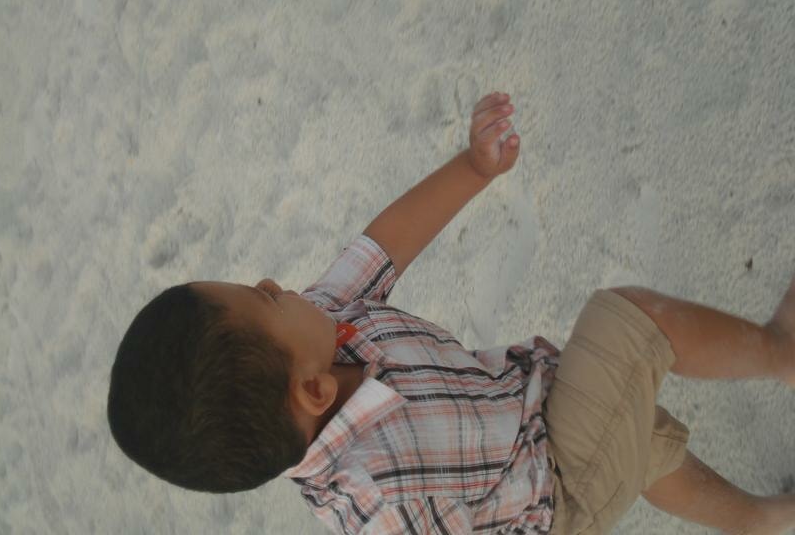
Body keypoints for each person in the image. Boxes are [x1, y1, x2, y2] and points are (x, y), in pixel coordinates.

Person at [107, 91, 795, 534]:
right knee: (631, 322)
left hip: (535, 407)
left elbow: (384, 244)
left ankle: (765, 521)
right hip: (556, 487)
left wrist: (473, 167)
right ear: (311, 392)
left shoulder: (320, 326)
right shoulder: (378, 500)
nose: (271, 282)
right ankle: (782, 347)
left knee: (648, 446)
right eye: (264, 297)